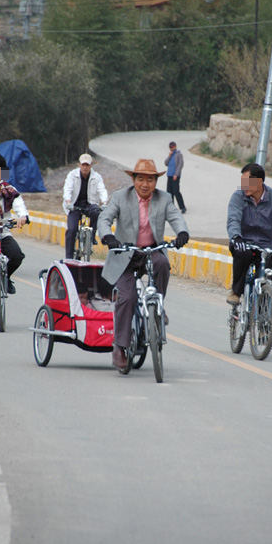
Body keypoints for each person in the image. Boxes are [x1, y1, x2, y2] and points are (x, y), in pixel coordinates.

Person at [98, 158, 189, 371]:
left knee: (163, 265)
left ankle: (158, 307)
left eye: (150, 179)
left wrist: (182, 233)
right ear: (134, 180)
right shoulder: (121, 197)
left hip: (151, 252)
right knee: (127, 297)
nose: (145, 184)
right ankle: (119, 347)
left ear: (156, 181)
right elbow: (104, 219)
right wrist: (108, 238)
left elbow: (176, 218)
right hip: (126, 254)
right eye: (141, 179)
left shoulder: (164, 198)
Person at [226, 162, 272, 304]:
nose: (244, 186)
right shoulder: (238, 196)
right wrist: (236, 237)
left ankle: (265, 315)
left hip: (266, 245)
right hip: (243, 242)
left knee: (267, 273)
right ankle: (236, 292)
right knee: (243, 255)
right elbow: (233, 220)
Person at [0, 152, 28, 294]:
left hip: (1, 232)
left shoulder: (8, 189)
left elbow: (18, 203)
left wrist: (22, 216)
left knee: (17, 255)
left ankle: (6, 278)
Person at [63, 153, 108, 259]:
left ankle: (91, 237)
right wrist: (68, 202)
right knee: (72, 230)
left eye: (87, 165)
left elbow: (102, 190)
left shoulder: (97, 177)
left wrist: (104, 203)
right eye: (83, 164)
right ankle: (68, 258)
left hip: (89, 203)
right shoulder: (72, 175)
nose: (85, 167)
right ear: (79, 164)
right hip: (74, 204)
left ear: (91, 165)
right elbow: (67, 189)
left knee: (97, 212)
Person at [164, 141, 186, 213]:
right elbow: (166, 163)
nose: (171, 148)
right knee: (169, 193)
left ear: (175, 146)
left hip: (175, 176)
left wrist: (176, 174)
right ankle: (171, 207)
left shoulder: (179, 154)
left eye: (172, 147)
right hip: (169, 175)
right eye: (170, 147)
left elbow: (180, 164)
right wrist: (169, 156)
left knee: (176, 191)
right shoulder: (171, 155)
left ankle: (182, 207)